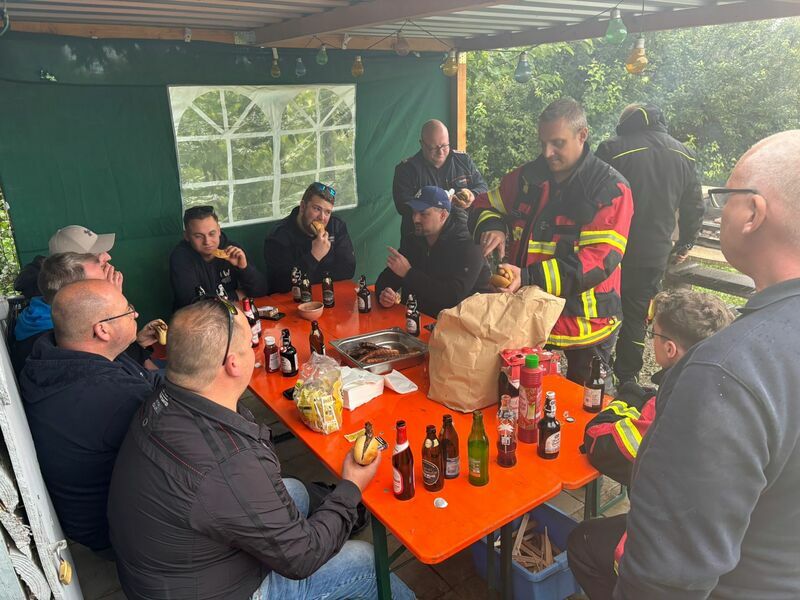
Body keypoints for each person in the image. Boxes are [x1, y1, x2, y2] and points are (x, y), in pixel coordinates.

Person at [108, 298, 415, 600]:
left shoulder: (165, 398)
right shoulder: (229, 460)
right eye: (249, 344)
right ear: (233, 363)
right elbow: (302, 559)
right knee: (364, 562)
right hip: (216, 589)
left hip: (173, 566)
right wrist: (351, 486)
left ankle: (334, 527)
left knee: (295, 491)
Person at [612, 130, 800, 599]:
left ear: (753, 213)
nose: (719, 210)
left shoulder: (726, 371)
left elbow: (664, 577)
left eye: (725, 197)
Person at [568, 289, 734, 599]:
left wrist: (623, 403)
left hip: (674, 550)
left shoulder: (675, 405)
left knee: (582, 542)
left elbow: (601, 444)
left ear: (670, 348)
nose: (650, 340)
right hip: (718, 536)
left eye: (653, 334)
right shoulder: (724, 384)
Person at [469, 98, 634, 383]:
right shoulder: (526, 179)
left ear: (582, 135)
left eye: (557, 143)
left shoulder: (610, 188)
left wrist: (528, 277)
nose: (547, 153)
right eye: (543, 143)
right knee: (525, 396)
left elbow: (597, 261)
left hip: (586, 324)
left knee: (587, 400)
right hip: (530, 316)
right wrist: (493, 226)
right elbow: (483, 204)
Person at [18, 279, 162, 555]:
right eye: (127, 309)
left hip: (95, 511)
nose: (135, 313)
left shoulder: (56, 353)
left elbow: (147, 379)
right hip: (113, 531)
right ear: (102, 330)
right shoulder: (110, 395)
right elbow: (183, 445)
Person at [595, 104, 705, 385]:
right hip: (653, 254)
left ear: (627, 122)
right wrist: (685, 244)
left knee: (600, 309)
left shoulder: (612, 148)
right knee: (636, 315)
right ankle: (628, 377)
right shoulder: (684, 153)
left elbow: (590, 197)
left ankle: (595, 372)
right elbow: (693, 206)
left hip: (609, 251)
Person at [9, 252, 158, 374]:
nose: (109, 281)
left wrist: (138, 344)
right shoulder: (53, 338)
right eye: (101, 282)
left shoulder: (41, 316)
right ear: (78, 294)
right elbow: (104, 370)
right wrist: (114, 303)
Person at [375, 186, 490, 317]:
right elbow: (386, 279)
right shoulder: (413, 240)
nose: (415, 219)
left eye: (423, 214)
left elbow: (453, 296)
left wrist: (408, 273)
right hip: (419, 319)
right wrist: (385, 295)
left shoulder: (469, 243)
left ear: (443, 215)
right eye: (414, 212)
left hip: (465, 322)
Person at [392, 119, 487, 241]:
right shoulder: (407, 170)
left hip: (461, 237)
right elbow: (403, 206)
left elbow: (482, 187)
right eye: (433, 148)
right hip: (421, 242)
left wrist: (472, 195)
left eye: (444, 146)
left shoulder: (463, 161)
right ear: (422, 144)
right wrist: (439, 205)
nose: (440, 152)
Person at [263, 182, 356, 293]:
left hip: (328, 293)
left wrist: (309, 276)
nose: (322, 217)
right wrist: (314, 256)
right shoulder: (278, 237)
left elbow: (348, 270)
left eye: (327, 212)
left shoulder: (336, 227)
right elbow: (282, 285)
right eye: (317, 209)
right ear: (303, 207)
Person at [170, 205, 269, 309]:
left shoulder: (232, 250)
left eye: (212, 233)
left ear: (219, 230)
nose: (207, 241)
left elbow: (261, 291)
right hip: (196, 318)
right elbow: (191, 305)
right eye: (198, 236)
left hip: (231, 313)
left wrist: (244, 268)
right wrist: (236, 295)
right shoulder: (180, 258)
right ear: (186, 236)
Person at [13, 224, 120, 300]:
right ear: (73, 268)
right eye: (97, 255)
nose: (108, 257)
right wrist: (113, 298)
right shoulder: (62, 317)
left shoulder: (58, 303)